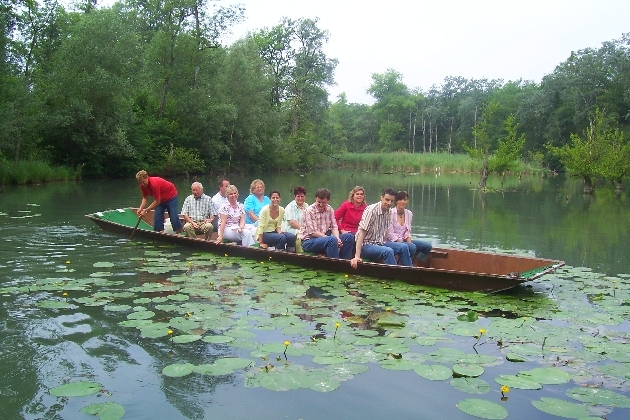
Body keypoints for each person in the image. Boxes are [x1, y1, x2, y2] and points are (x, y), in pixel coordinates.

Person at [350, 188, 412, 269]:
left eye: (391, 201)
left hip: (380, 243)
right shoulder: (372, 210)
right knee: (388, 251)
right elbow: (361, 233)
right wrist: (357, 256)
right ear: (381, 197)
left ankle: (410, 271)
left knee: (403, 247)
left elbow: (385, 233)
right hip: (366, 246)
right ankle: (396, 274)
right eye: (387, 200)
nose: (389, 203)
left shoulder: (389, 212)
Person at [299, 188, 354, 259]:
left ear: (328, 201)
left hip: (325, 238)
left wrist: (337, 238)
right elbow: (313, 232)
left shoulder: (329, 209)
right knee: (332, 240)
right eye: (319, 202)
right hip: (309, 241)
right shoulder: (309, 211)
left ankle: (344, 261)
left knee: (349, 237)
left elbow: (334, 226)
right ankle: (335, 264)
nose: (321, 205)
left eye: (323, 203)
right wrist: (332, 239)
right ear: (316, 199)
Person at [387, 190, 433, 261]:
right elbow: (389, 234)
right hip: (392, 241)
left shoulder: (409, 213)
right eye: (400, 199)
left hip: (404, 240)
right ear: (396, 201)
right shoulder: (390, 213)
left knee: (427, 246)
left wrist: (409, 242)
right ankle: (405, 264)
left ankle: (418, 261)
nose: (403, 202)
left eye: (405, 200)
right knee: (412, 247)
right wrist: (404, 244)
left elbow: (408, 231)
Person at [282, 186, 309, 252]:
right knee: (300, 235)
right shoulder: (290, 206)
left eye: (302, 196)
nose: (300, 198)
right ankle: (300, 254)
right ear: (295, 196)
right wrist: (304, 229)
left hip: (303, 229)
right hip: (290, 229)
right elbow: (292, 223)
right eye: (298, 196)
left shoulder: (306, 206)